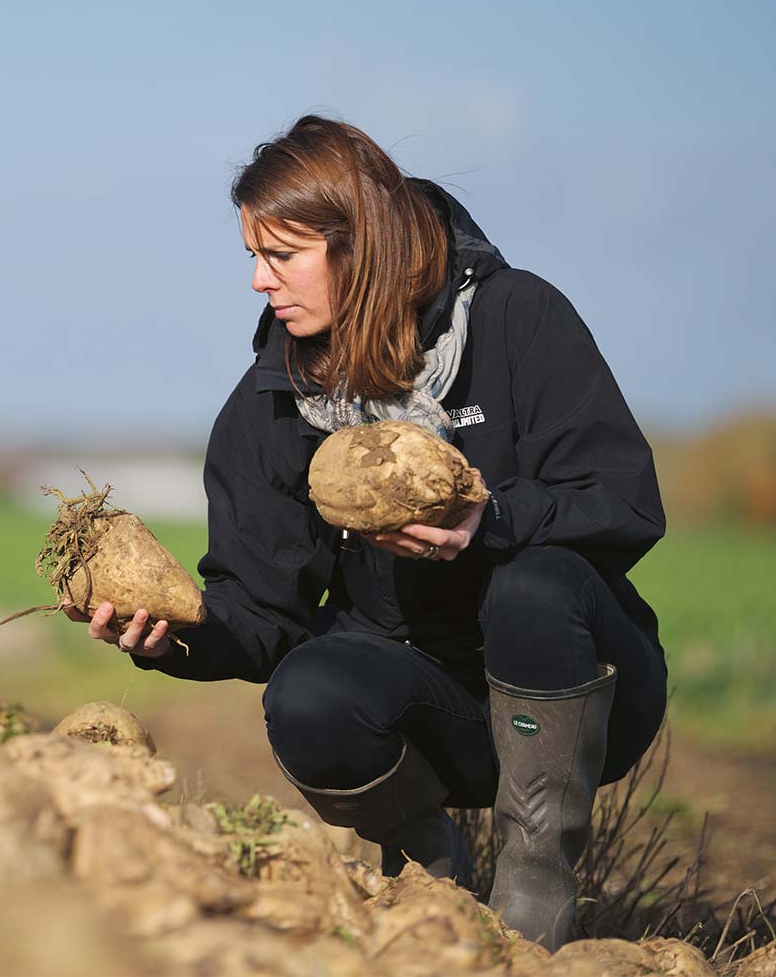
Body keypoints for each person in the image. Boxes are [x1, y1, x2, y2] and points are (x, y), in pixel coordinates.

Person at [66, 115, 668, 951]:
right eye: (253, 256)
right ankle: (432, 880)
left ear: (365, 244)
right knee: (309, 693)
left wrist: (488, 523)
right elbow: (263, 611)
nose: (258, 282)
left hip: (585, 692)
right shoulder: (274, 399)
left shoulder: (517, 318)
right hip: (431, 709)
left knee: (535, 584)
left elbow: (624, 500)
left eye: (282, 256)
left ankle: (535, 893)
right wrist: (173, 637)